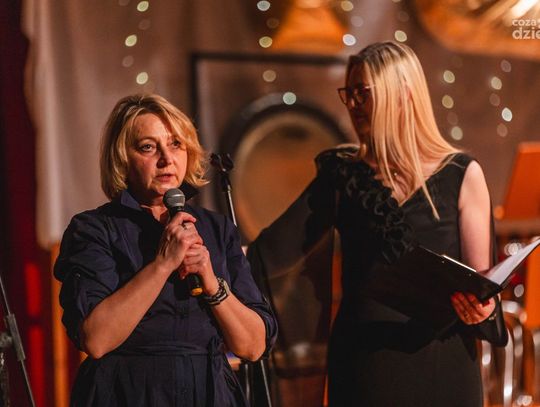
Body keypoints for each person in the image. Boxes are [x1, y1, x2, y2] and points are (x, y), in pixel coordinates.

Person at [54, 94, 277, 407]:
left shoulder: (217, 229)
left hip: (208, 392)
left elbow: (253, 347)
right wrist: (162, 265)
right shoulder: (93, 229)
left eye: (176, 144)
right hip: (126, 392)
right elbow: (96, 339)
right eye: (148, 147)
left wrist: (211, 283)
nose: (166, 159)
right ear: (122, 158)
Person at [321, 41, 508, 406]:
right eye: (349, 93)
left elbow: (482, 281)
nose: (354, 104)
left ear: (403, 94)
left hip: (443, 365)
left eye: (364, 93)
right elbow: (283, 253)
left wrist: (482, 308)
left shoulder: (461, 173)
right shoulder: (344, 174)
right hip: (366, 364)